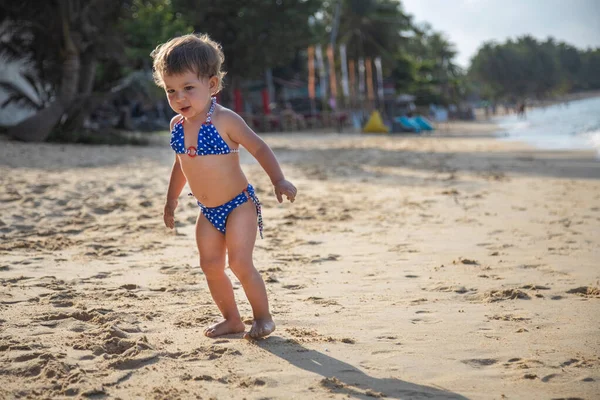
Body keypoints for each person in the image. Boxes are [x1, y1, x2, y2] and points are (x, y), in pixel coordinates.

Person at [151, 34, 297, 339]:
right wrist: (171, 201)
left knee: (240, 263)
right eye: (171, 91)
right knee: (210, 264)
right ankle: (232, 319)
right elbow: (181, 164)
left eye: (188, 88)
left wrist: (278, 179)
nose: (180, 98)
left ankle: (263, 317)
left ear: (213, 85)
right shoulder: (177, 126)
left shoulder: (224, 120)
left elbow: (258, 147)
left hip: (238, 205)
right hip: (208, 210)